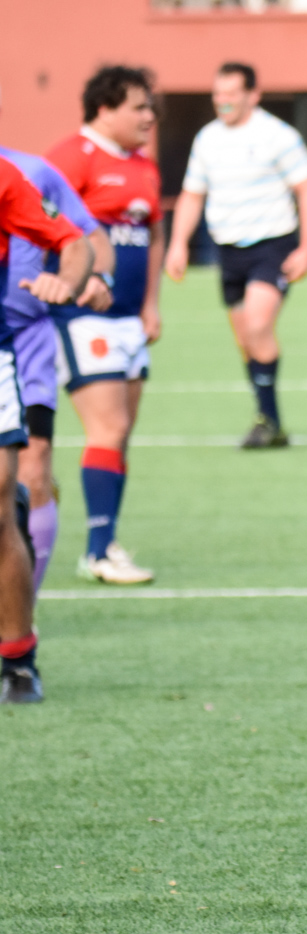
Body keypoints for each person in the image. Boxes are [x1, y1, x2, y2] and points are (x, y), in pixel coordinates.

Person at [46, 66, 166, 584]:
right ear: (104, 109)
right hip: (81, 316)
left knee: (121, 435)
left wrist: (152, 304)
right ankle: (97, 550)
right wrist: (78, 279)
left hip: (129, 320)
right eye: (139, 106)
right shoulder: (69, 157)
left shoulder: (144, 166)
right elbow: (41, 227)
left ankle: (105, 541)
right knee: (108, 428)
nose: (150, 116)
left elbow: (152, 236)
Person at [165, 62, 307, 449]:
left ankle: (266, 420)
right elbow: (192, 194)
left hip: (272, 246)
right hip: (228, 251)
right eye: (218, 94)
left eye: (232, 93)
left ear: (253, 95)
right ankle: (270, 420)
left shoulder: (277, 136)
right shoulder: (207, 139)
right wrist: (178, 242)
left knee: (256, 325)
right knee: (246, 342)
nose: (224, 101)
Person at [0, 151, 96, 699]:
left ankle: (18, 660)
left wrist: (68, 280)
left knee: (0, 508)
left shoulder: (8, 175)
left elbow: (75, 240)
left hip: (3, 347)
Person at [0, 134, 114, 590]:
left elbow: (85, 235)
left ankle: (28, 601)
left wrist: (90, 278)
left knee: (36, 460)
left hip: (24, 339)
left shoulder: (31, 171)